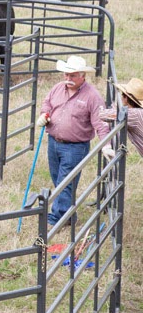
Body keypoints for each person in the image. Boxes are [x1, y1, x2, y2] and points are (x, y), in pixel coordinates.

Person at [35, 55, 110, 227]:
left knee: (65, 183)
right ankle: (68, 215)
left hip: (75, 147)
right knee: (57, 179)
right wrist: (43, 114)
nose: (68, 78)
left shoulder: (92, 96)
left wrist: (106, 145)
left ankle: (58, 219)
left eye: (73, 75)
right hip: (54, 142)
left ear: (83, 75)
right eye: (66, 75)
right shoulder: (57, 88)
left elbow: (100, 123)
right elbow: (47, 104)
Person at [100, 77, 143, 157]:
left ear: (126, 98)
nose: (121, 97)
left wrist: (116, 108)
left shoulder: (134, 114)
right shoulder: (138, 112)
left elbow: (102, 115)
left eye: (123, 94)